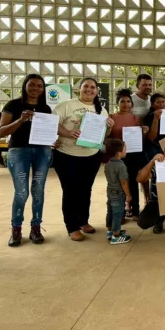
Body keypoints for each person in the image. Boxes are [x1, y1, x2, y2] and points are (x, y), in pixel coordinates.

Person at [52, 77, 113, 241]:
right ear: (79, 88)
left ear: (97, 91)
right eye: (86, 86)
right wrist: (68, 133)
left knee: (86, 190)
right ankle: (72, 227)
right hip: (67, 155)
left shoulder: (102, 110)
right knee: (70, 191)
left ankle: (83, 221)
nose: (89, 89)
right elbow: (52, 124)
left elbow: (103, 136)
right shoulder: (66, 105)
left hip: (91, 156)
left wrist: (109, 127)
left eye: (93, 87)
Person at [0, 73, 53, 247]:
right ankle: (16, 229)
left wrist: (53, 139)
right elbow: (1, 131)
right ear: (25, 85)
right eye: (32, 85)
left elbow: (47, 132)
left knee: (38, 191)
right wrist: (21, 120)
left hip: (42, 151)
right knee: (21, 192)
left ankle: (36, 227)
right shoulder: (13, 105)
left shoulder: (45, 108)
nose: (36, 89)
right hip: (19, 151)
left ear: (43, 89)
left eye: (39, 86)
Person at [108, 88, 146, 217]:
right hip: (117, 156)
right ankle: (118, 213)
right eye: (122, 101)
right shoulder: (111, 117)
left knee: (132, 182)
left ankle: (135, 210)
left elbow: (141, 137)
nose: (125, 104)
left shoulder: (136, 118)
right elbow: (107, 137)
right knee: (117, 184)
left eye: (128, 101)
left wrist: (144, 130)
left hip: (133, 155)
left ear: (132, 104)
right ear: (117, 103)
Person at [104, 139, 133, 245]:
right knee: (118, 213)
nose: (126, 150)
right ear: (118, 153)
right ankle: (116, 235)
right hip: (119, 193)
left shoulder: (107, 164)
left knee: (110, 211)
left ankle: (110, 231)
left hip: (110, 192)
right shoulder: (121, 166)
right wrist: (128, 195)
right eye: (125, 149)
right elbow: (124, 182)